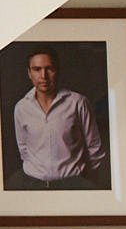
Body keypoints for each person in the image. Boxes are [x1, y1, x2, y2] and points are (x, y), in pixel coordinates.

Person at [11, 45, 108, 189]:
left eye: (49, 68)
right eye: (37, 69)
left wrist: (82, 181)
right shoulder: (21, 108)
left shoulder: (78, 103)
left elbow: (94, 147)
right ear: (29, 73)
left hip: (73, 185)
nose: (43, 76)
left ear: (57, 71)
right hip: (33, 186)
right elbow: (23, 148)